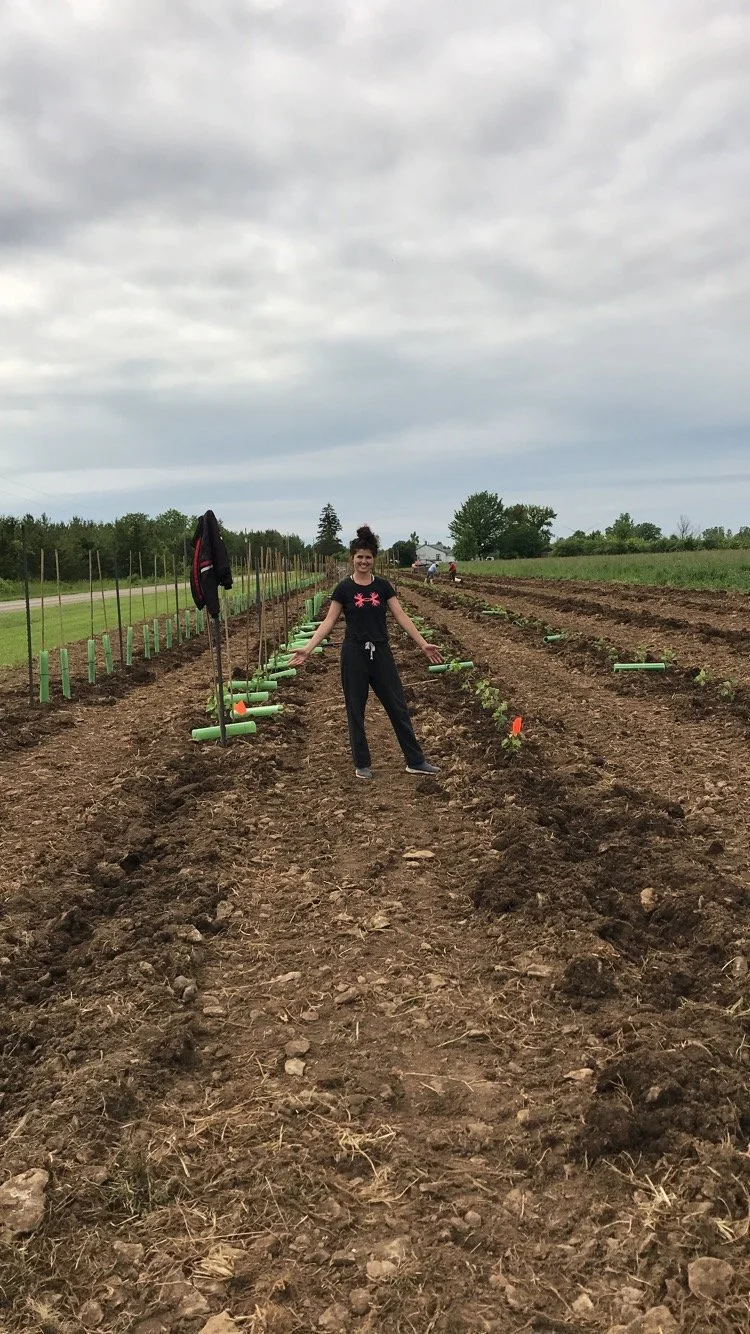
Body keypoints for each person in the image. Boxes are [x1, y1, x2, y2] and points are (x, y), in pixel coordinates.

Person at [290, 525, 443, 780]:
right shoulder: (343, 589)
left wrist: (423, 643)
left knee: (398, 706)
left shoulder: (383, 587)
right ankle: (362, 764)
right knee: (355, 709)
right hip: (354, 655)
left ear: (374, 559)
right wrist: (308, 648)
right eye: (359, 556)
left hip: (381, 653)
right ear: (352, 558)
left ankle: (415, 761)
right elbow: (329, 621)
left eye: (368, 557)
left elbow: (401, 616)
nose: (363, 561)